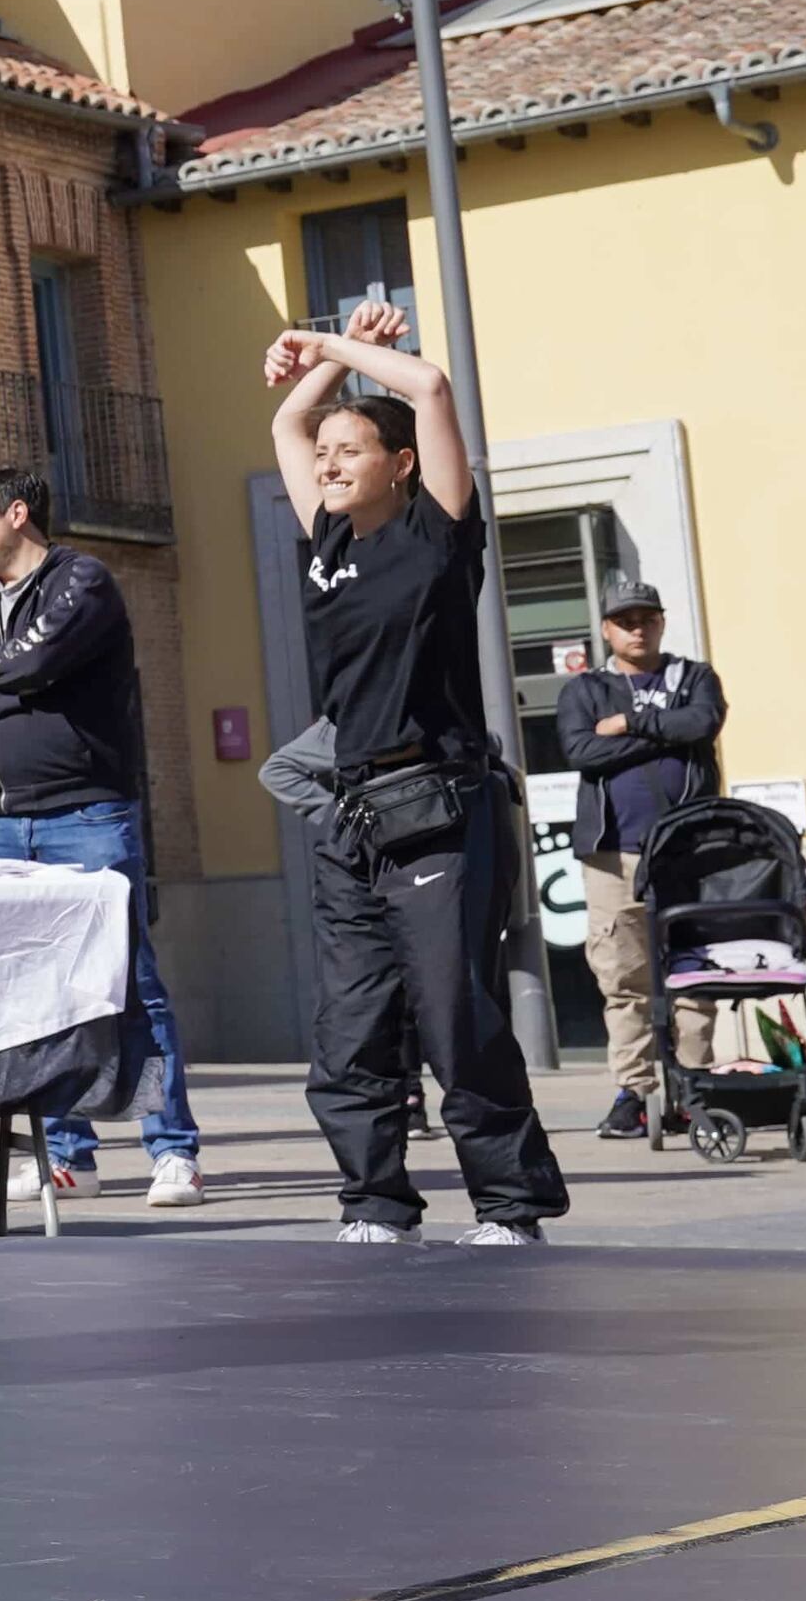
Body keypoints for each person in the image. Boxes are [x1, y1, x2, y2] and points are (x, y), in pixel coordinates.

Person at [267, 298, 569, 1246]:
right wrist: (329, 371)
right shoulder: (325, 545)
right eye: (328, 455)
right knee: (349, 1030)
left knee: (452, 1016)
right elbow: (286, 421)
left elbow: (431, 389)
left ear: (399, 466)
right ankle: (375, 1204)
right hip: (350, 815)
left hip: (438, 804)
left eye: (349, 450)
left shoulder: (438, 534)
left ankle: (510, 1206)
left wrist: (334, 346)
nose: (327, 462)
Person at [0, 465, 201, 1209]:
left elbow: (40, 658)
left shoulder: (85, 582)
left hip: (87, 816)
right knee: (26, 998)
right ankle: (66, 1154)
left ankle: (173, 1151)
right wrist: (2, 676)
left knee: (128, 983)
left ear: (16, 514)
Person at [555, 583, 728, 1137]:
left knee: (693, 973)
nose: (636, 628)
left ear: (661, 623)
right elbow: (582, 750)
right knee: (623, 980)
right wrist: (666, 735)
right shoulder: (587, 689)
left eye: (646, 618)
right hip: (613, 857)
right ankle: (634, 1093)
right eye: (623, 620)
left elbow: (701, 723)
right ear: (605, 629)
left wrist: (630, 724)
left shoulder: (694, 678)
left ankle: (696, 1085)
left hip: (690, 851)